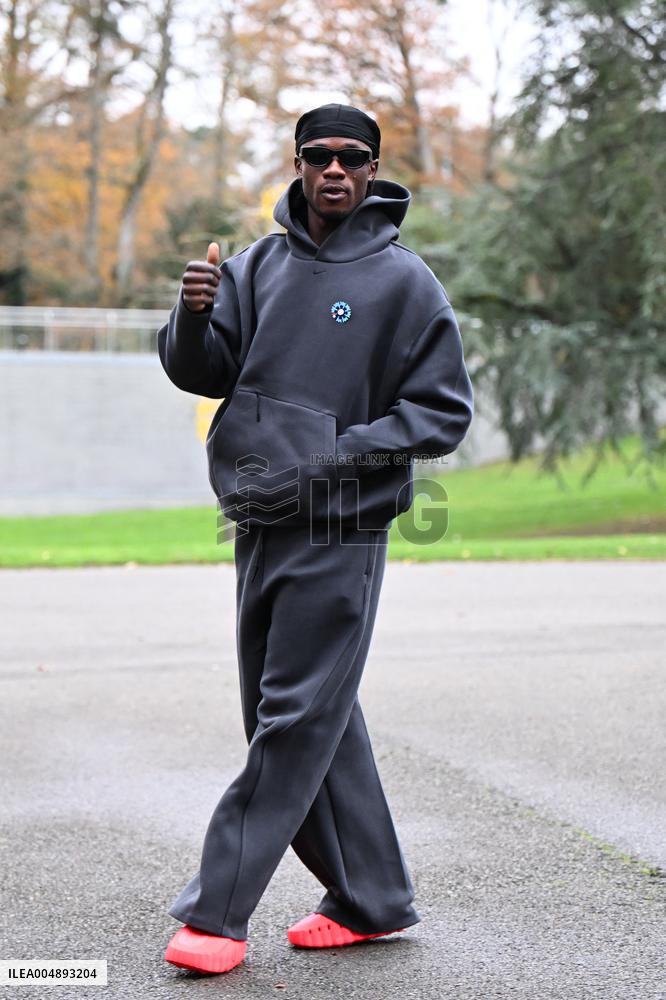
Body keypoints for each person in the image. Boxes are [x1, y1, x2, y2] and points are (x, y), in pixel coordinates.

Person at [157, 102, 474, 975]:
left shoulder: (407, 284)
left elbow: (443, 410)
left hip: (342, 525)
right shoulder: (258, 266)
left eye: (352, 158)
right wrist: (192, 317)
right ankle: (373, 896)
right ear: (298, 165)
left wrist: (341, 451)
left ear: (374, 171)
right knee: (299, 710)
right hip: (260, 515)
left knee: (293, 718)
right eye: (317, 156)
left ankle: (216, 913)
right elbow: (207, 370)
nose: (334, 170)